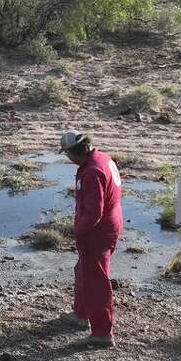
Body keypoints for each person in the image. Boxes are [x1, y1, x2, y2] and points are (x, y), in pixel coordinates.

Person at [63, 130, 123, 347]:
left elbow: (93, 213)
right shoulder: (102, 158)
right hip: (109, 224)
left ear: (71, 153)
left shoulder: (91, 172)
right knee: (83, 270)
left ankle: (102, 333)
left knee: (96, 281)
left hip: (98, 232)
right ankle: (81, 314)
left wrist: (77, 230)